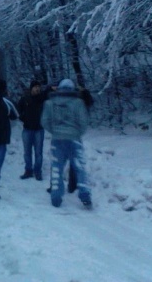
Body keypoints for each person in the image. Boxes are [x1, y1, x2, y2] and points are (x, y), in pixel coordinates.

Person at [41, 79, 92, 208]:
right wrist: (77, 133)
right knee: (80, 168)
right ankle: (84, 194)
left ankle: (56, 197)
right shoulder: (78, 103)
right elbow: (84, 122)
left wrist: (54, 131)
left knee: (57, 168)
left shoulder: (49, 103)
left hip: (57, 140)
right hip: (74, 139)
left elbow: (44, 121)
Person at [17, 80, 47, 181]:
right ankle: (28, 170)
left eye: (39, 87)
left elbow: (49, 94)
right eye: (35, 87)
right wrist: (22, 117)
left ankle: (37, 171)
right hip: (27, 129)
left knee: (38, 152)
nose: (37, 88)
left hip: (39, 129)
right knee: (27, 152)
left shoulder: (42, 98)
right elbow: (18, 109)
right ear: (31, 88)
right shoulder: (25, 98)